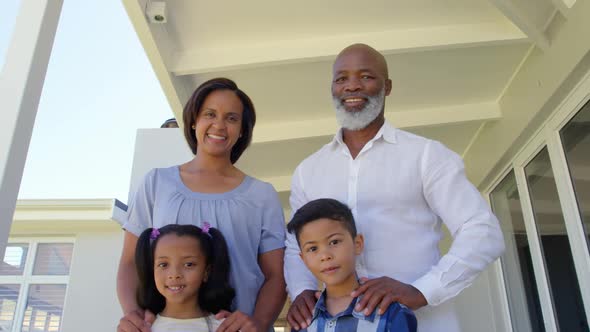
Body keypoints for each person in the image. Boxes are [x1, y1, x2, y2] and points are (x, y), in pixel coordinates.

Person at [284, 44, 505, 332]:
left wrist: (422, 291)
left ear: (387, 87)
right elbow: (294, 245)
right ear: (332, 88)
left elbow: (482, 230)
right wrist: (301, 290)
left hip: (425, 324)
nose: (352, 86)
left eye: (366, 76)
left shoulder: (425, 155)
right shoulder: (308, 171)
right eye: (342, 79)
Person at [117, 78, 287, 332]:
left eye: (231, 118)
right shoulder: (157, 183)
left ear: (242, 130)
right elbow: (130, 262)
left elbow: (276, 275)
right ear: (194, 120)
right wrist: (133, 315)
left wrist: (259, 323)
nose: (219, 124)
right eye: (210, 114)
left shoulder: (262, 195)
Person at [287, 198, 417, 332]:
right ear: (304, 259)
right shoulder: (303, 319)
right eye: (313, 249)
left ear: (357, 244)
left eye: (334, 242)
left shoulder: (390, 313)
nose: (325, 256)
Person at [135, 224, 233, 331]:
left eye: (188, 264)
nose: (174, 274)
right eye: (163, 264)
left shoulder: (225, 328)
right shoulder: (140, 328)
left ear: (206, 272)